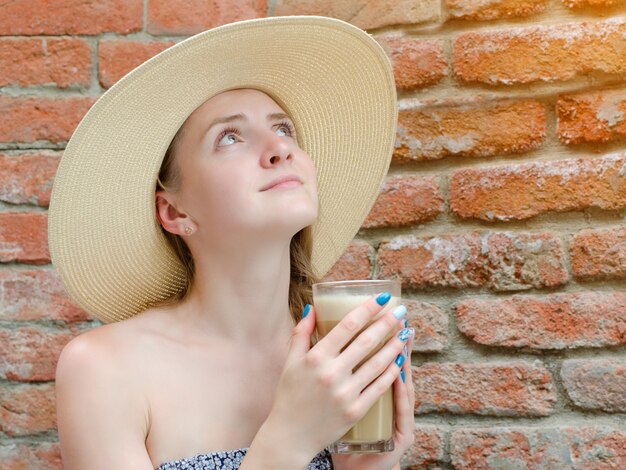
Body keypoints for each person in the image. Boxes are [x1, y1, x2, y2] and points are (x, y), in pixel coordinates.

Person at [49, 15, 416, 470]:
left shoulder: (336, 357)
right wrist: (287, 439)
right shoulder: (102, 368)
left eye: (285, 129)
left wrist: (369, 464)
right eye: (230, 137)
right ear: (175, 213)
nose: (279, 148)